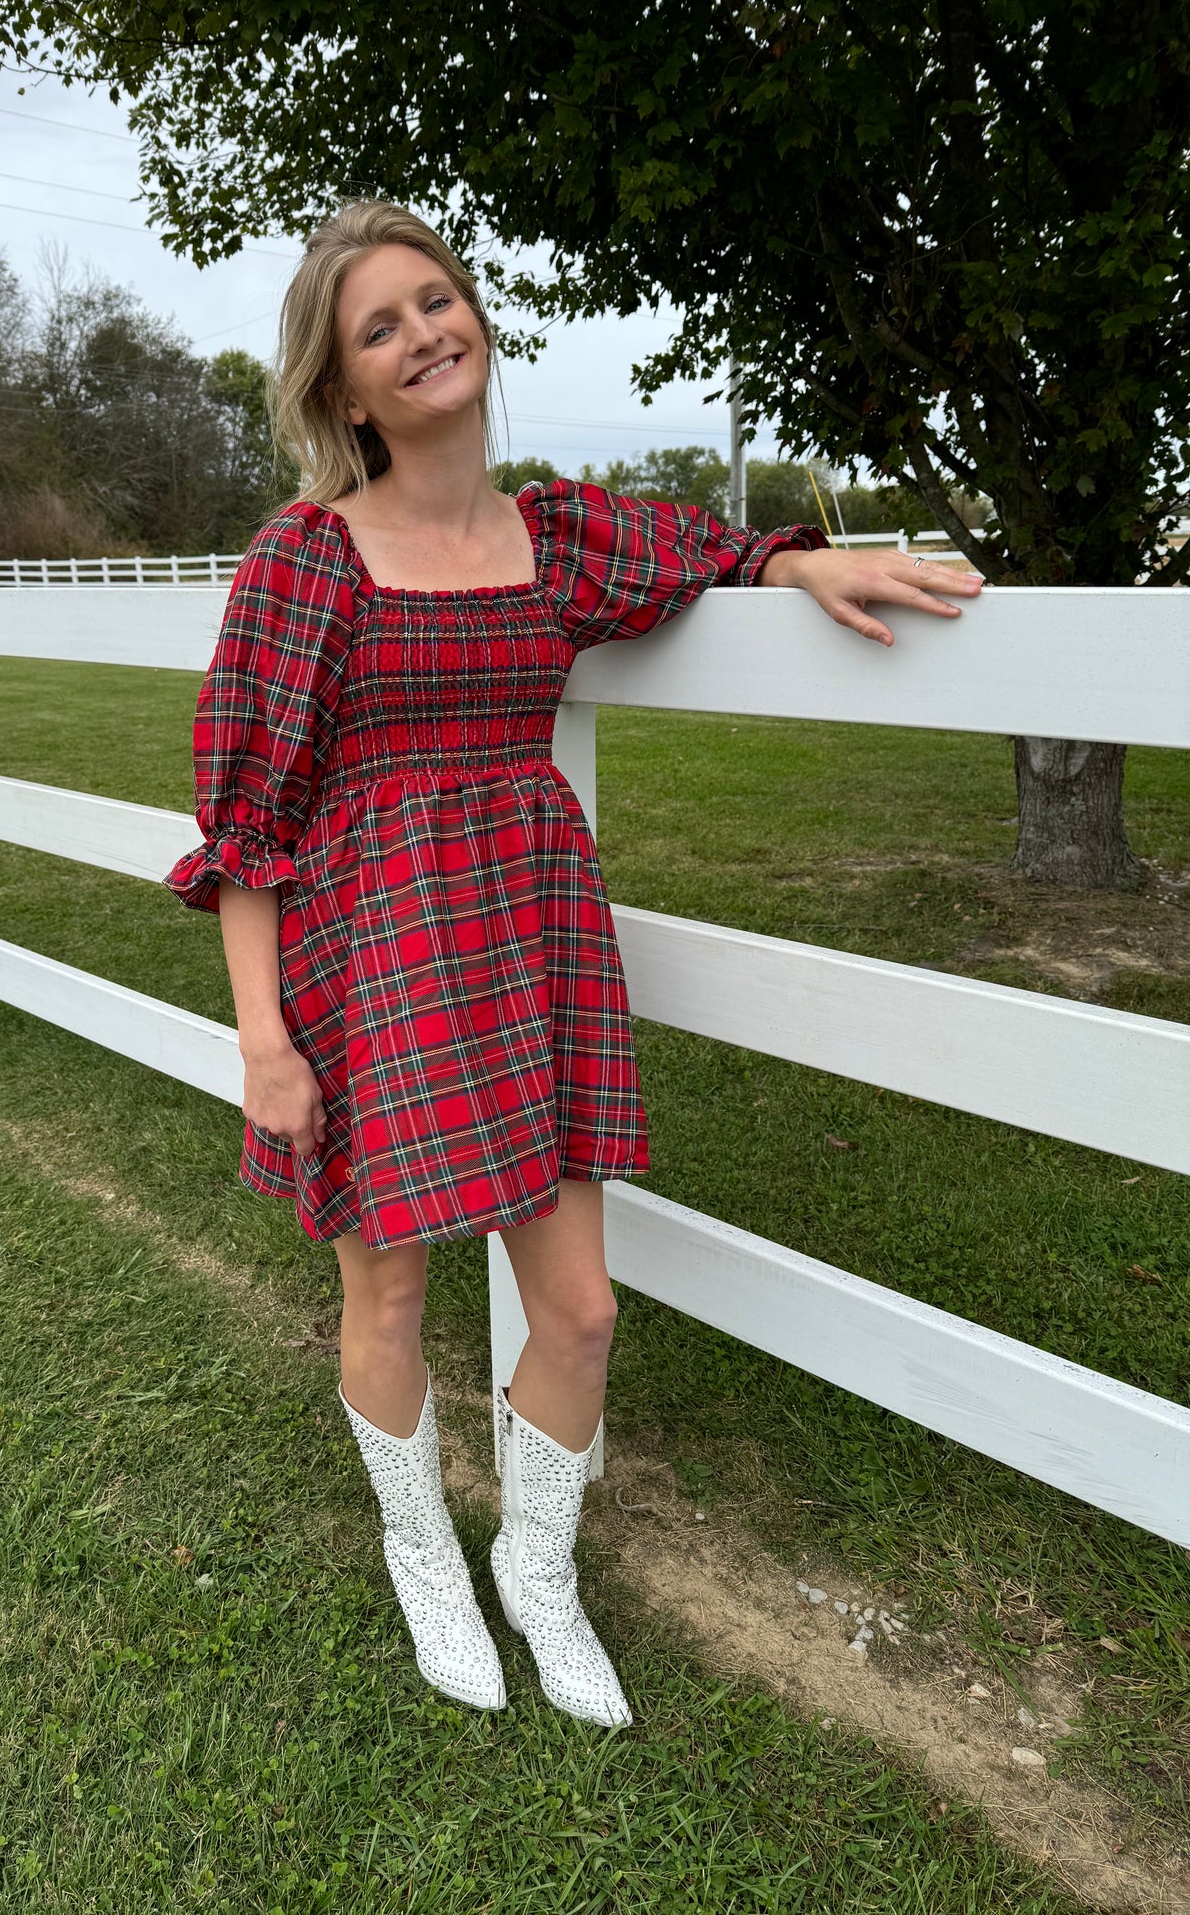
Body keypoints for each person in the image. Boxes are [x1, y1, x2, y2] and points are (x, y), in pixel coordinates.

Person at [164, 199, 984, 1728]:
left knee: (583, 1310)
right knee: (391, 1291)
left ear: (475, 320)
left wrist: (798, 563)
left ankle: (538, 1571)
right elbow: (247, 824)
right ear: (342, 390)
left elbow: (712, 549)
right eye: (379, 328)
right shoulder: (307, 558)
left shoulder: (564, 537)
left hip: (531, 950)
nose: (423, 335)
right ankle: (426, 1557)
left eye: (435, 301)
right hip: (370, 960)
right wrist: (265, 1043)